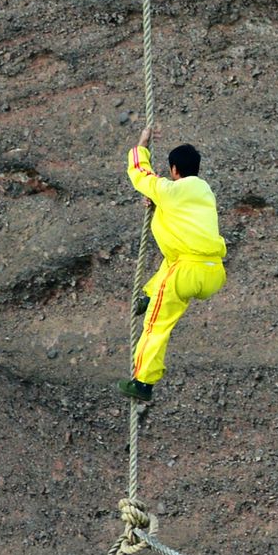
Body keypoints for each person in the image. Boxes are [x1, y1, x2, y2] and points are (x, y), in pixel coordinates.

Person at [120, 126, 227, 402]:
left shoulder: (170, 190)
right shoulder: (204, 193)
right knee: (171, 262)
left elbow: (140, 175)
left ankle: (142, 382)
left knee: (156, 326)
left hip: (187, 272)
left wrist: (140, 146)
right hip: (212, 272)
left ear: (174, 169)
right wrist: (158, 204)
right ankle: (149, 295)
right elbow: (176, 223)